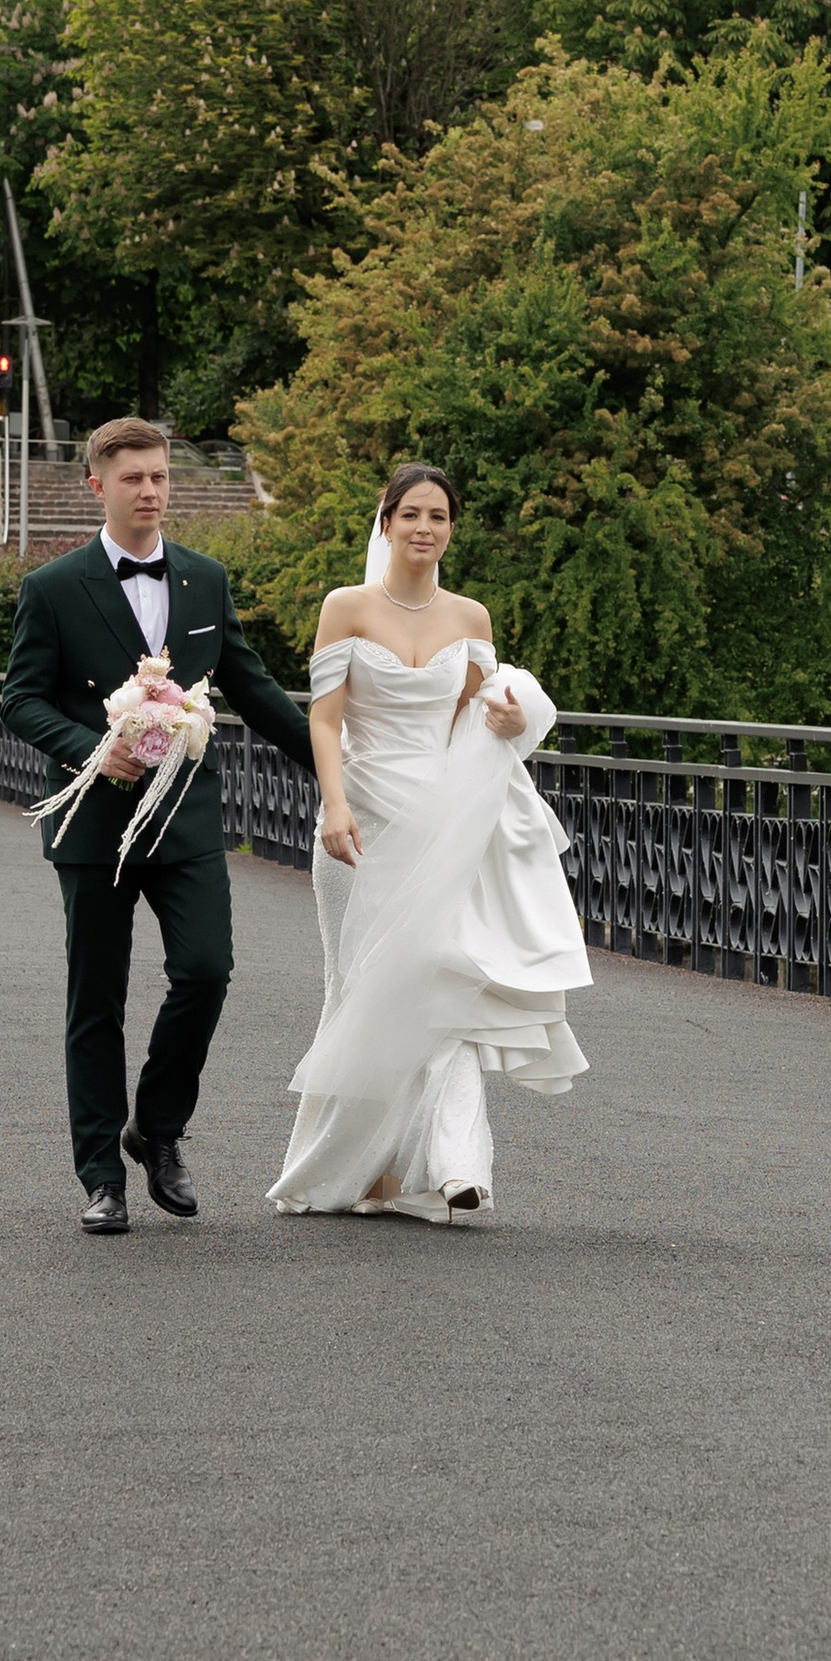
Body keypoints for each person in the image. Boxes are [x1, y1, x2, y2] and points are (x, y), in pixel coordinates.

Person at [2, 416, 316, 1236]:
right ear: (96, 485)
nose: (150, 491)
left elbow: (248, 685)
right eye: (134, 477)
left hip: (185, 820)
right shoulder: (53, 588)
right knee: (95, 1000)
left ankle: (159, 1129)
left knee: (207, 970)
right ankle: (102, 1176)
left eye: (161, 477)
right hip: (94, 824)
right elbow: (21, 699)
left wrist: (336, 768)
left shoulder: (206, 580)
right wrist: (91, 750)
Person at [270, 462, 590, 1223]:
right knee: (355, 990)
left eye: (438, 516)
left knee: (445, 985)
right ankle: (359, 1171)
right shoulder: (345, 607)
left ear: (452, 528)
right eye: (409, 513)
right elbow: (322, 718)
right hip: (360, 817)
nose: (424, 528)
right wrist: (334, 805)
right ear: (384, 524)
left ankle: (453, 1164)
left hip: (441, 822)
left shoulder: (470, 617)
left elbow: (478, 717)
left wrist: (512, 723)